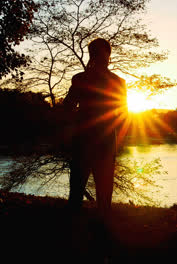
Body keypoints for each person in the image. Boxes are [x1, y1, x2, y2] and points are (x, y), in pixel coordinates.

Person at [62, 38, 127, 218]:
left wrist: (72, 126)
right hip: (103, 141)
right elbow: (123, 115)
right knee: (101, 193)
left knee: (78, 190)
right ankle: (101, 229)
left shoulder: (81, 79)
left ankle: (76, 227)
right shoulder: (118, 82)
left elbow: (67, 107)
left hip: (85, 140)